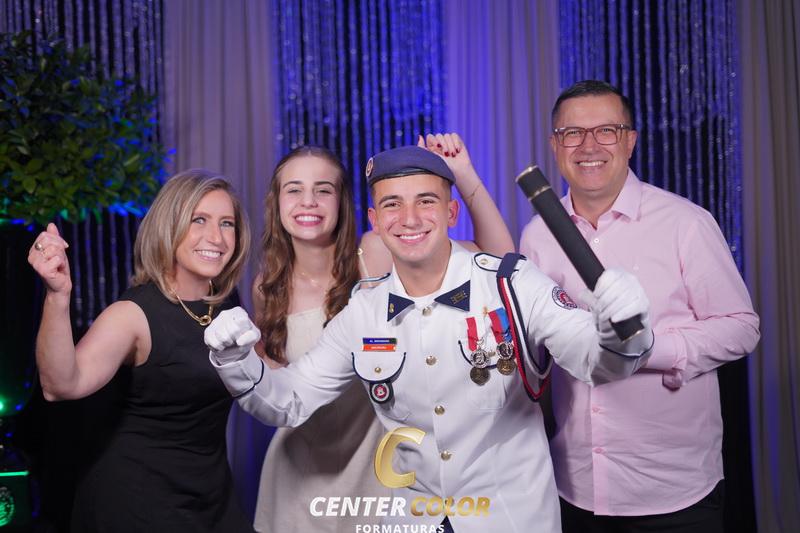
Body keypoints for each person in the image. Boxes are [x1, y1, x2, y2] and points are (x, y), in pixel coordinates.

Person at [206, 145, 654, 532]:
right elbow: (289, 400)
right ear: (374, 220)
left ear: (451, 212)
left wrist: (618, 328)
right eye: (392, 205)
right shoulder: (363, 311)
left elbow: (597, 362)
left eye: (426, 201)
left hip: (509, 519)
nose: (410, 219)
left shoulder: (510, 284)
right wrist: (236, 360)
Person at [519, 80, 760, 533]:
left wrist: (649, 351)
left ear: (630, 140)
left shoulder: (686, 223)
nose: (589, 146)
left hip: (673, 489)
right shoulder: (537, 236)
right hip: (575, 486)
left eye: (606, 130)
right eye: (572, 133)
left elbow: (742, 327)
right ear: (555, 145)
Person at [251, 135, 513, 533]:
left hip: (380, 471)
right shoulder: (266, 286)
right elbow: (276, 386)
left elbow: (498, 261)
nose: (309, 202)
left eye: (323, 190)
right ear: (276, 203)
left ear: (342, 202)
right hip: (299, 475)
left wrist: (463, 175)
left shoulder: (374, 253)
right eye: (294, 190)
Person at [28, 170, 254, 532]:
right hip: (137, 502)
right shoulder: (132, 315)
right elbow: (61, 384)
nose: (216, 237)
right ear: (169, 226)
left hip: (209, 495)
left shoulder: (225, 303)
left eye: (226, 223)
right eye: (198, 220)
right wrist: (58, 295)